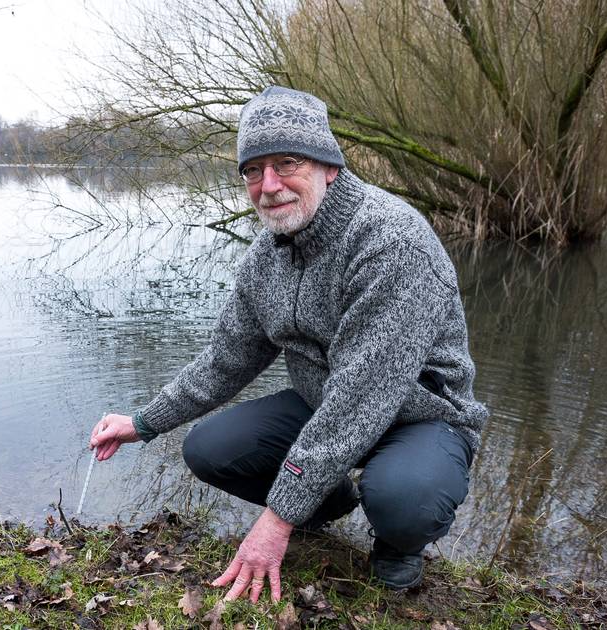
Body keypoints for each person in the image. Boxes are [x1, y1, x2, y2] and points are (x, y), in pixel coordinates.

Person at [88, 86, 488, 600]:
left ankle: (396, 544)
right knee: (210, 449)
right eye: (253, 170)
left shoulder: (393, 241)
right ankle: (325, 501)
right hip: (323, 401)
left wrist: (276, 521)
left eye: (287, 162)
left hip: (422, 415)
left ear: (329, 167)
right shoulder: (265, 256)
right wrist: (142, 423)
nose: (269, 185)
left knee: (404, 499)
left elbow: (362, 394)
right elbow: (225, 360)